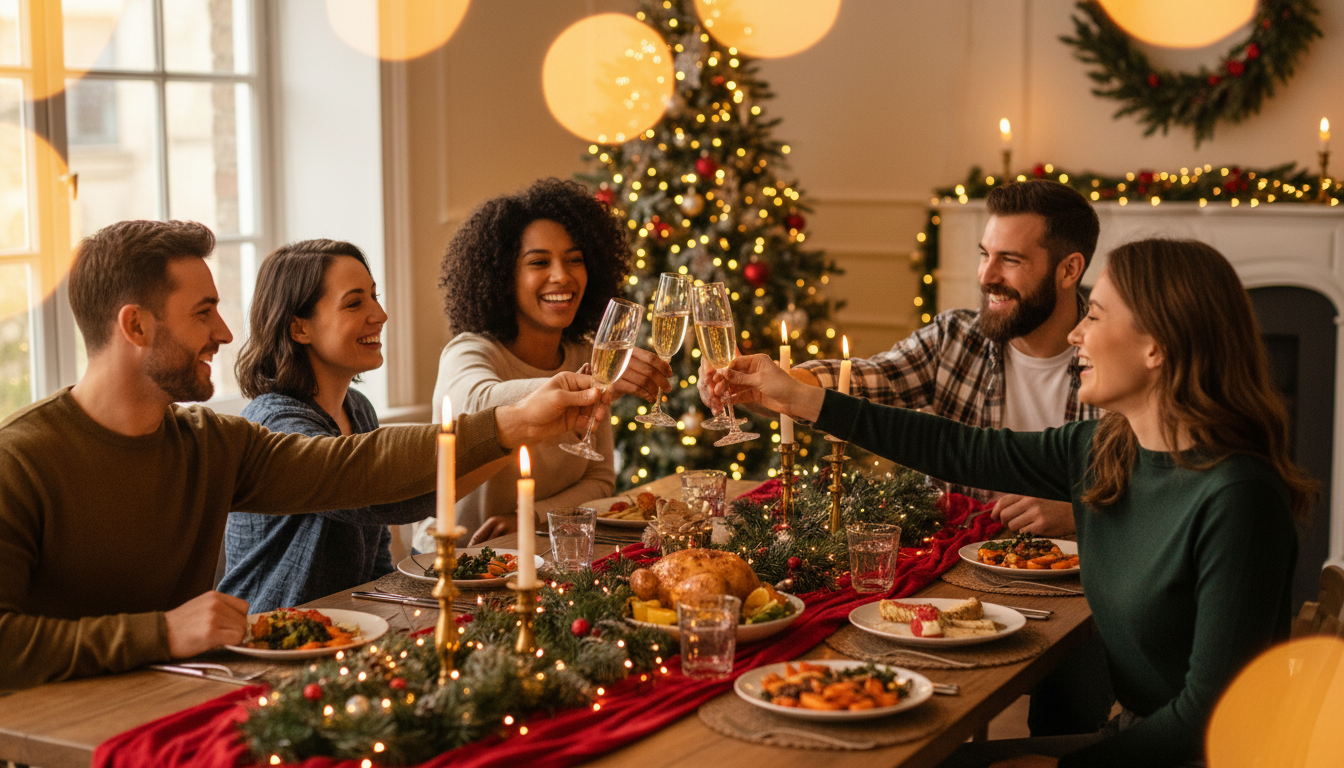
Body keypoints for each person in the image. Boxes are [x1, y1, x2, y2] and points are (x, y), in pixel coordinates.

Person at [716, 238, 1312, 768]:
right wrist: (797, 397)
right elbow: (955, 446)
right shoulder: (1107, 449)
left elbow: (1211, 718)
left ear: (1157, 346)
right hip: (1136, 739)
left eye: (1096, 315)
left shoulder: (1237, 498)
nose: (1076, 332)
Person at [0, 220, 603, 691]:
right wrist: (159, 633)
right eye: (203, 311)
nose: (226, 332)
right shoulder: (20, 460)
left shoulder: (211, 443)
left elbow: (355, 469)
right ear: (134, 326)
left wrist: (518, 422)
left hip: (184, 698)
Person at [702, 179, 1101, 539]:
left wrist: (1082, 514)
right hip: (954, 563)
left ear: (1069, 270)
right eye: (985, 254)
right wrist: (772, 387)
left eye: (1010, 260)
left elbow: (1154, 490)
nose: (987, 275)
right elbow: (865, 382)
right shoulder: (955, 338)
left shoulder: (1114, 363)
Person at [219, 240, 479, 612]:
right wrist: (518, 428)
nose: (381, 314)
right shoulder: (274, 424)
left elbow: (374, 564)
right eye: (355, 302)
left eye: (375, 296)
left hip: (348, 631)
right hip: (271, 642)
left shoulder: (358, 410)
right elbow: (382, 499)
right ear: (299, 328)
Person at [417, 178, 672, 549]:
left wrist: (528, 518)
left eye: (574, 260)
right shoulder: (469, 351)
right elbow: (477, 404)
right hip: (451, 561)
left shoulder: (589, 356)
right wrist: (589, 385)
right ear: (504, 276)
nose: (562, 276)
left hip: (538, 551)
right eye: (539, 262)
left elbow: (600, 479)